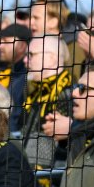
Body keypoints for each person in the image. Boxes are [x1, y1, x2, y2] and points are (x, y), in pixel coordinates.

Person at [21, 35, 73, 169]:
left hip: (48, 180)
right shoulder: (36, 93)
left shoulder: (67, 94)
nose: (25, 60)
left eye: (31, 55)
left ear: (52, 59)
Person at [0, 23, 30, 134]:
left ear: (22, 45)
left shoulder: (29, 77)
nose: (0, 45)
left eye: (5, 41)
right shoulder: (10, 73)